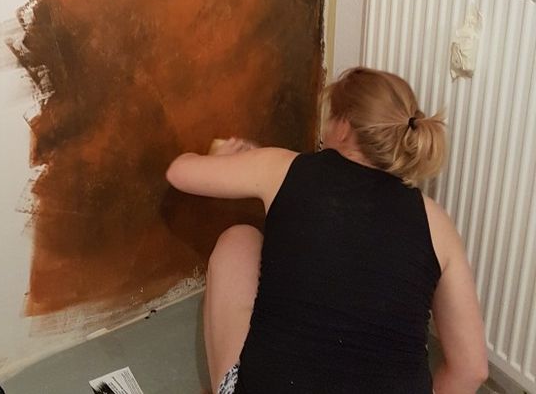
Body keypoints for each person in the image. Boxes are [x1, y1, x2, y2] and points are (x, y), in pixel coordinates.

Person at [166, 67, 489, 394]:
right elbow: (472, 369)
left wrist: (223, 157)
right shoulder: (437, 223)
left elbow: (180, 172)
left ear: (344, 126)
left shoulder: (281, 167)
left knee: (237, 241)